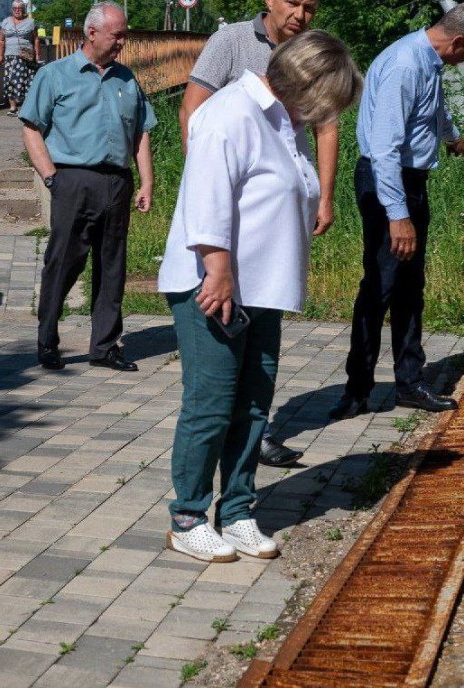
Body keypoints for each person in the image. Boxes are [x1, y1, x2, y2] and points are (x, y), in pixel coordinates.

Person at [158, 30, 361, 562]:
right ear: (305, 84)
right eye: (325, 102)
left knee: (252, 404)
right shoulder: (233, 113)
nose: (323, 115)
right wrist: (218, 271)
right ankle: (187, 517)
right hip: (215, 283)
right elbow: (206, 195)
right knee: (211, 404)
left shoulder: (279, 117)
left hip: (260, 288)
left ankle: (239, 510)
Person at [179, 0, 337, 468]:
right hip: (232, 194)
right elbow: (193, 110)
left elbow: (326, 127)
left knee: (264, 332)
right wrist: (207, 187)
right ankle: (203, 488)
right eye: (292, 3)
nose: (300, 15)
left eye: (309, 7)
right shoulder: (231, 41)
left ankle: (255, 437)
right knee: (222, 359)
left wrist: (323, 196)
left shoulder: (310, 52)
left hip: (283, 195)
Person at [329, 2, 464, 421]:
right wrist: (397, 214)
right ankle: (357, 390)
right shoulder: (406, 65)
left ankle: (410, 383)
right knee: (380, 287)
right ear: (457, 41)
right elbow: (384, 149)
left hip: (409, 181)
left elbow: (431, 111)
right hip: (388, 182)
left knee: (409, 286)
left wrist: (453, 137)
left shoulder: (427, 60)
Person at [20, 2, 155, 373]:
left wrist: (146, 181)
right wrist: (52, 177)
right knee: (63, 263)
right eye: (118, 35)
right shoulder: (54, 75)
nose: (123, 43)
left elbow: (141, 131)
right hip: (73, 181)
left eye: (124, 35)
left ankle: (106, 346)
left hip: (116, 182)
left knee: (112, 266)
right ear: (91, 33)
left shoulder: (127, 78)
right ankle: (48, 339)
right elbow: (31, 128)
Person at [0, 0, 40, 116]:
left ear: (24, 10)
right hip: (10, 56)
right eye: (15, 8)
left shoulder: (30, 22)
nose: (17, 10)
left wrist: (37, 55)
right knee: (10, 81)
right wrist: (0, 55)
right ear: (12, 10)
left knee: (25, 82)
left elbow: (36, 39)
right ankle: (13, 107)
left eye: (20, 8)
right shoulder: (6, 22)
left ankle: (25, 108)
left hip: (25, 57)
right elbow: (1, 40)